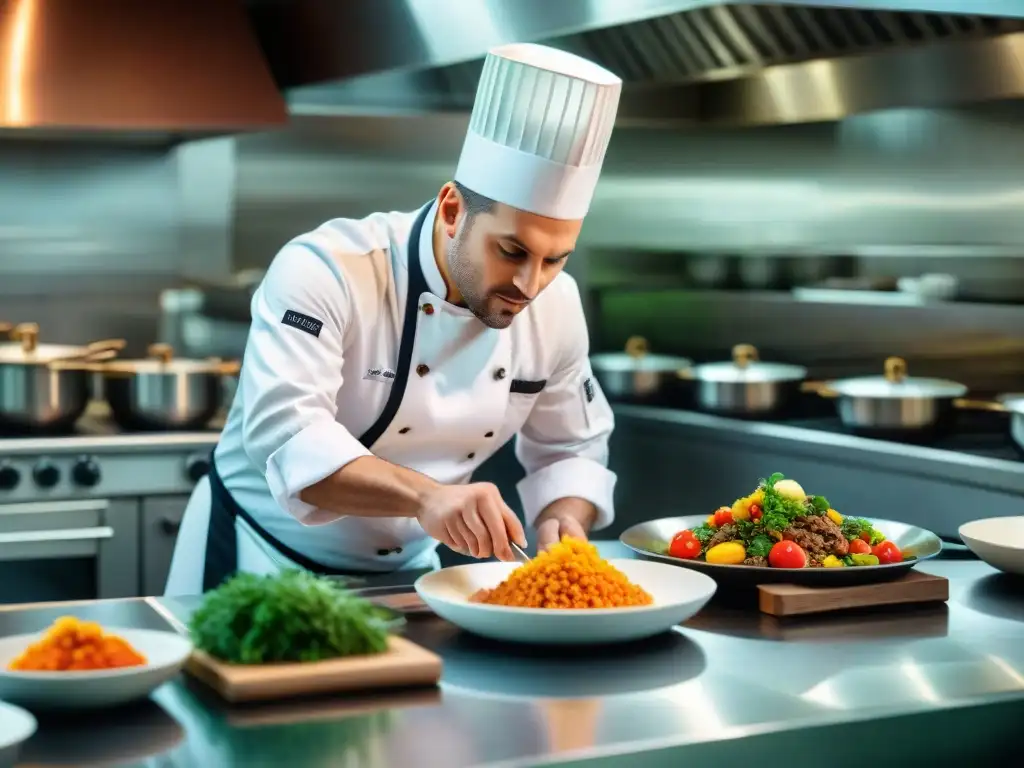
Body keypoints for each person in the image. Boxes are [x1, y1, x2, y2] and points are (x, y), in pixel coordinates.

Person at [164, 42, 623, 595]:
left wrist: (563, 517)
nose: (530, 284)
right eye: (511, 251)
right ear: (453, 210)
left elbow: (570, 447)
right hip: (257, 558)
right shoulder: (328, 270)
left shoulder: (556, 306)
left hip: (411, 577)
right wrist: (429, 497)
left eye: (555, 259)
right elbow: (289, 438)